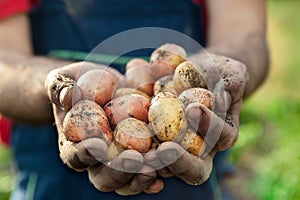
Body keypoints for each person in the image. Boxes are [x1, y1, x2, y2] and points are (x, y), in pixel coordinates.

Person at [0, 0, 269, 199]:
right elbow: (5, 62)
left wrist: (222, 69)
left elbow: (244, 35)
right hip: (52, 181)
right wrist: (55, 86)